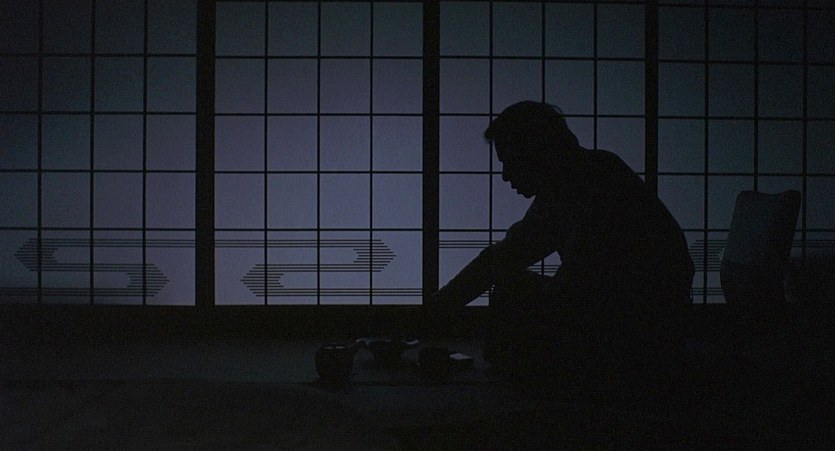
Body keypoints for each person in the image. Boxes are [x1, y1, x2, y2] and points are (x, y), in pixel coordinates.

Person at [426, 101, 695, 394]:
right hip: (646, 316)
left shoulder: (590, 183)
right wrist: (439, 307)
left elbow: (576, 281)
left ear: (534, 152)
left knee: (514, 298)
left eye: (509, 161)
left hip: (641, 324)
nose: (505, 175)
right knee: (513, 295)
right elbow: (505, 258)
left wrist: (435, 311)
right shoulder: (583, 176)